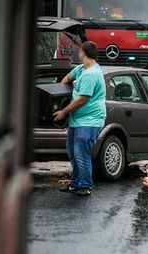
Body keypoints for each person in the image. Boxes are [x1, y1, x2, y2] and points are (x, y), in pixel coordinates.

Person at [53, 41, 106, 196]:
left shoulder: (91, 74)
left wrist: (63, 111)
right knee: (72, 152)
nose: (78, 53)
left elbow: (82, 99)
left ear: (83, 53)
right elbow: (67, 78)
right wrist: (59, 95)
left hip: (90, 121)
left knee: (81, 153)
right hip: (77, 120)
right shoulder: (82, 69)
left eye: (80, 51)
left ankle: (84, 185)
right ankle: (76, 183)